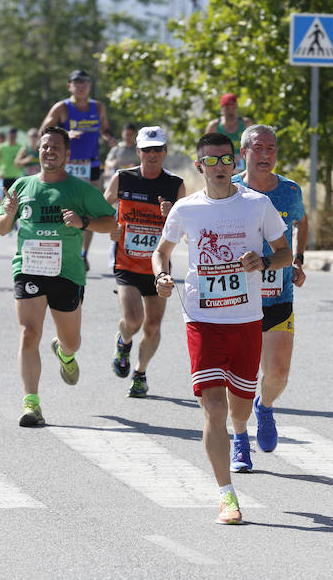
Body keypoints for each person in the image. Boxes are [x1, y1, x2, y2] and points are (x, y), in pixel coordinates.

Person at [152, 132, 291, 524]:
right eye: (210, 161)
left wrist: (263, 263)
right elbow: (161, 253)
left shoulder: (257, 204)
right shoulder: (186, 209)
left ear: (235, 162)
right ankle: (226, 495)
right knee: (213, 408)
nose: (218, 167)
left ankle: (243, 430)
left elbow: (285, 253)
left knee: (239, 408)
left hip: (246, 320)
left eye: (225, 160)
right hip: (201, 319)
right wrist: (162, 277)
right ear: (199, 166)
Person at [0, 126, 117, 427]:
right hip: (29, 268)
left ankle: (64, 353)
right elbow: (0, 227)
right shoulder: (21, 187)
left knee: (72, 341)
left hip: (67, 272)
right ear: (39, 150)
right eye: (45, 146)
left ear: (67, 153)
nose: (49, 151)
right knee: (28, 333)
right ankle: (31, 404)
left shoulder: (80, 190)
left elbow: (111, 223)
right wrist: (8, 213)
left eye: (56, 147)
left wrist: (83, 221)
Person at [231, 125, 308, 458]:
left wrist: (298, 259)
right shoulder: (227, 189)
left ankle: (265, 406)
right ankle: (238, 440)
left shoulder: (289, 191)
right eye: (258, 148)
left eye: (271, 149)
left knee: (277, 372)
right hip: (234, 297)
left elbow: (301, 222)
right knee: (240, 375)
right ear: (244, 151)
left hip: (278, 295)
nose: (265, 155)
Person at [104, 126, 186, 397]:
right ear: (138, 151)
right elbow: (103, 209)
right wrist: (110, 227)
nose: (152, 154)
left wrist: (172, 212)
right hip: (127, 263)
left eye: (158, 149)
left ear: (165, 152)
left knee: (152, 326)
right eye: (147, 150)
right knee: (133, 319)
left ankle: (140, 373)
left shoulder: (175, 184)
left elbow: (188, 228)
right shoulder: (123, 178)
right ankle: (123, 341)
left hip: (158, 267)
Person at [39, 69, 116, 271]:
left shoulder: (97, 107)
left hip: (90, 163)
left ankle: (83, 254)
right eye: (76, 83)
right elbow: (43, 132)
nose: (80, 87)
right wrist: (65, 133)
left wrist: (110, 138)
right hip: (68, 163)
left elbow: (106, 128)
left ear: (89, 86)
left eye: (84, 83)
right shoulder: (62, 108)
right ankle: (60, 248)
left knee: (88, 207)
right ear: (69, 86)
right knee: (62, 205)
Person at [205, 93, 253, 171]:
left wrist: (241, 156)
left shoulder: (246, 124)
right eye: (227, 108)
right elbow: (206, 153)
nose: (231, 111)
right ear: (222, 109)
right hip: (221, 171)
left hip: (244, 173)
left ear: (237, 107)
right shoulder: (214, 127)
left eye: (233, 108)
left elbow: (254, 148)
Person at [0, 128, 25, 194]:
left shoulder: (21, 147)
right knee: (4, 201)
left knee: (17, 200)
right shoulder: (1, 147)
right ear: (8, 135)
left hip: (17, 178)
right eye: (11, 135)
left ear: (16, 136)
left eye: (14, 135)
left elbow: (25, 162)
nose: (12, 137)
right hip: (4, 178)